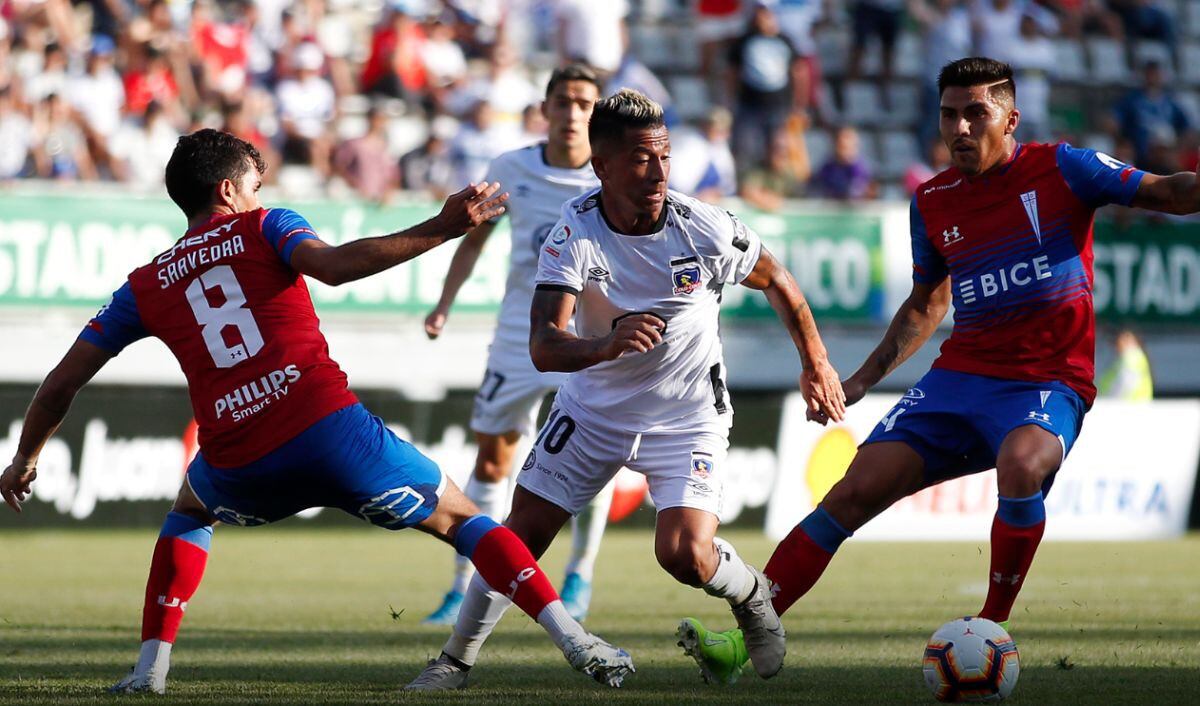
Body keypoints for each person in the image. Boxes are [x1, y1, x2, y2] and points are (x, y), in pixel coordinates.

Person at [0, 129, 634, 694]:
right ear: (228, 189)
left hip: (239, 463)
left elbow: (60, 384)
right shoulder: (266, 225)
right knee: (467, 518)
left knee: (190, 508)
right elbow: (332, 268)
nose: (259, 192)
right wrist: (441, 227)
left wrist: (24, 461)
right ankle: (577, 641)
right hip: (331, 435)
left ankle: (148, 671)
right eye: (254, 183)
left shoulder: (145, 283)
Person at [678, 55, 1200, 684]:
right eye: (950, 114)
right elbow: (928, 301)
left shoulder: (1062, 167)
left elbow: (1170, 193)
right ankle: (743, 645)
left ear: (1010, 117)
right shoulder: (931, 200)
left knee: (1022, 464)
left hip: (1047, 379)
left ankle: (990, 626)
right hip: (959, 379)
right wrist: (862, 379)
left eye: (976, 113)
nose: (960, 128)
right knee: (853, 490)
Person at [406, 88, 846, 691]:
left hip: (687, 417)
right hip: (592, 412)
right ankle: (454, 661)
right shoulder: (574, 233)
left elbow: (781, 283)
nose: (660, 172)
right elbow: (544, 344)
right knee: (519, 536)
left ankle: (753, 600)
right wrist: (604, 345)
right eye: (642, 159)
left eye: (664, 156)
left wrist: (816, 364)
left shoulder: (706, 228)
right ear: (602, 166)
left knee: (684, 556)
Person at [420, 64, 614, 626]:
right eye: (564, 102)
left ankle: (580, 575)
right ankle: (465, 584)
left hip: (588, 334)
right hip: (519, 334)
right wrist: (444, 304)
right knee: (493, 456)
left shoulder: (610, 175)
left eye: (584, 104)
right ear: (546, 107)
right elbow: (473, 240)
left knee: (593, 456)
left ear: (595, 112)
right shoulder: (511, 168)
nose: (573, 113)